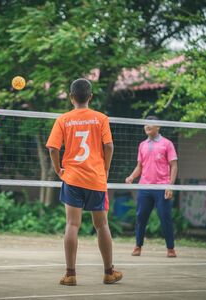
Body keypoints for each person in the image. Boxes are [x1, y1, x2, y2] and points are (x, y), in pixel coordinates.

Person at [46, 78, 123, 286]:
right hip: (95, 178)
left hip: (71, 177)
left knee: (72, 224)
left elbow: (53, 149)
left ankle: (70, 274)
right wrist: (105, 168)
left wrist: (58, 170)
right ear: (90, 96)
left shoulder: (63, 119)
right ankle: (109, 272)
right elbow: (109, 146)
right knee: (102, 225)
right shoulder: (101, 118)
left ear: (71, 98)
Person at [125, 116, 178, 257]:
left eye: (150, 124)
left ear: (158, 126)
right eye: (145, 124)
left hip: (162, 187)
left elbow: (174, 166)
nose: (146, 126)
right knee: (140, 217)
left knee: (165, 217)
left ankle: (170, 248)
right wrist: (131, 177)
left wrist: (170, 186)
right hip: (145, 187)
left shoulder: (167, 144)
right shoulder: (142, 145)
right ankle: (138, 246)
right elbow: (139, 167)